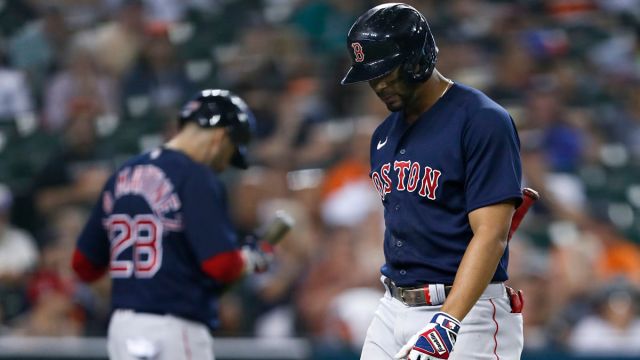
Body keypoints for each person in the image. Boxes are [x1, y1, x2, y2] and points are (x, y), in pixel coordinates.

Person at [341, 4, 524, 360]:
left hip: (465, 315)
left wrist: (447, 322)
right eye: (371, 75)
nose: (378, 84)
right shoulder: (383, 134)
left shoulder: (482, 120)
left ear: (417, 59)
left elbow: (491, 234)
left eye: (386, 72)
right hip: (393, 305)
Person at [71, 89, 271, 359]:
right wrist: (251, 257)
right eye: (230, 154)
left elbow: (84, 265)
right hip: (173, 329)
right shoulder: (195, 176)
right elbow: (222, 264)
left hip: (121, 329)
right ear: (220, 137)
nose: (224, 165)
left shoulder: (123, 174)